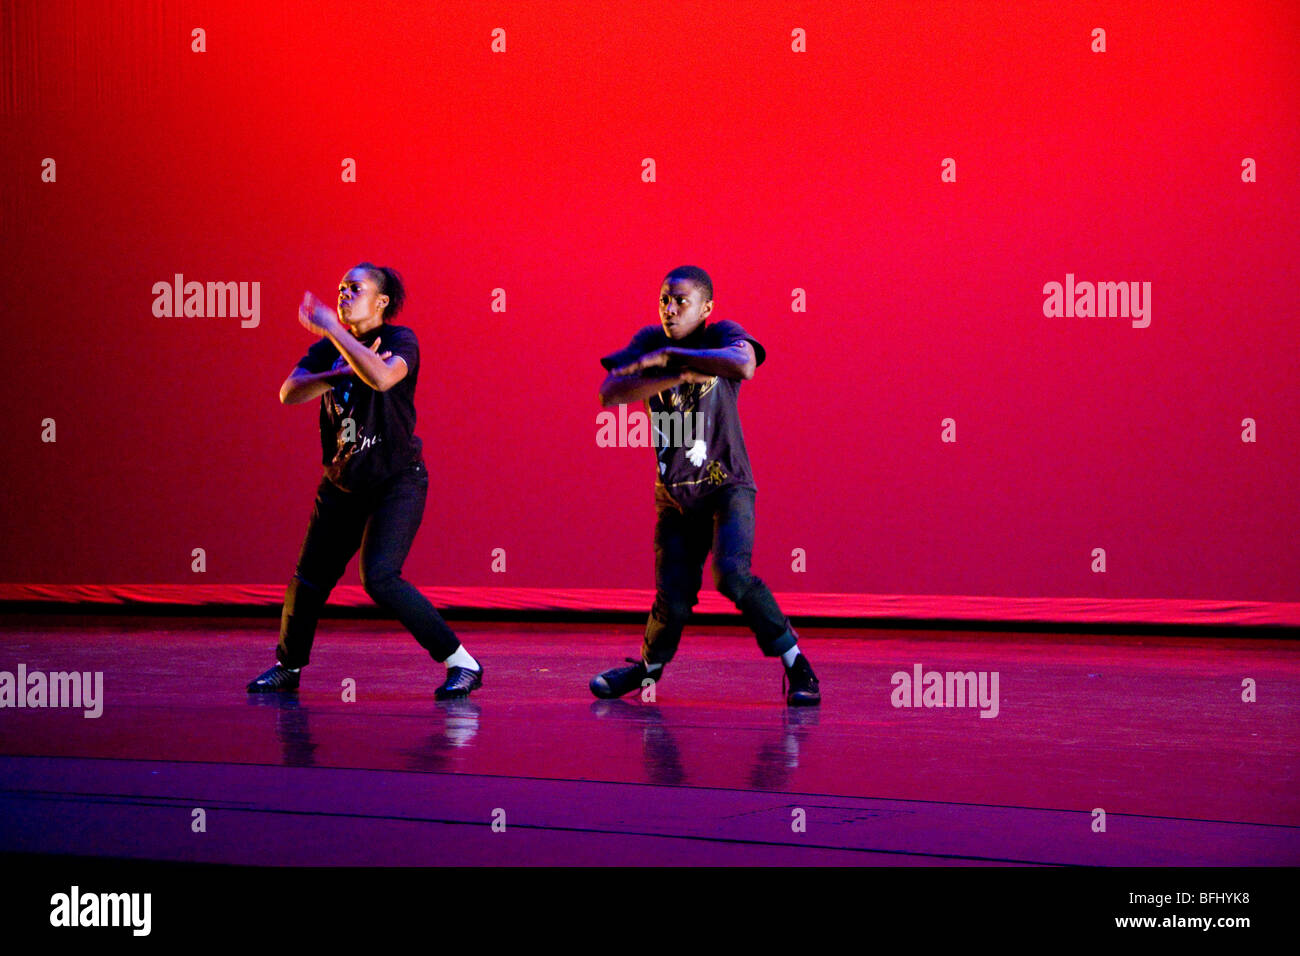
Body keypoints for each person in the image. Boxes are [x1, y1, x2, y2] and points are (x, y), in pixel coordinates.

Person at [246, 263, 483, 699]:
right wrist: (334, 372)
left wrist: (335, 331)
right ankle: (288, 666)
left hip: (397, 480)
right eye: (339, 288)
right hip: (342, 479)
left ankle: (462, 662)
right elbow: (289, 392)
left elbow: (381, 376)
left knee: (380, 577)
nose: (343, 294)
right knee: (309, 578)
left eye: (355, 288)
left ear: (381, 302)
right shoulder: (327, 349)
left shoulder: (400, 340)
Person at [590, 265, 820, 706]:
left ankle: (796, 663)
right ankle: (647, 671)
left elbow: (746, 364)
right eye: (664, 300)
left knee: (732, 575)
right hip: (675, 495)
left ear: (706, 308)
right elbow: (610, 392)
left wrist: (677, 359)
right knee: (673, 597)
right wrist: (675, 372)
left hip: (727, 486)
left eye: (681, 301)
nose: (670, 309)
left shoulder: (722, 334)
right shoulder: (648, 341)